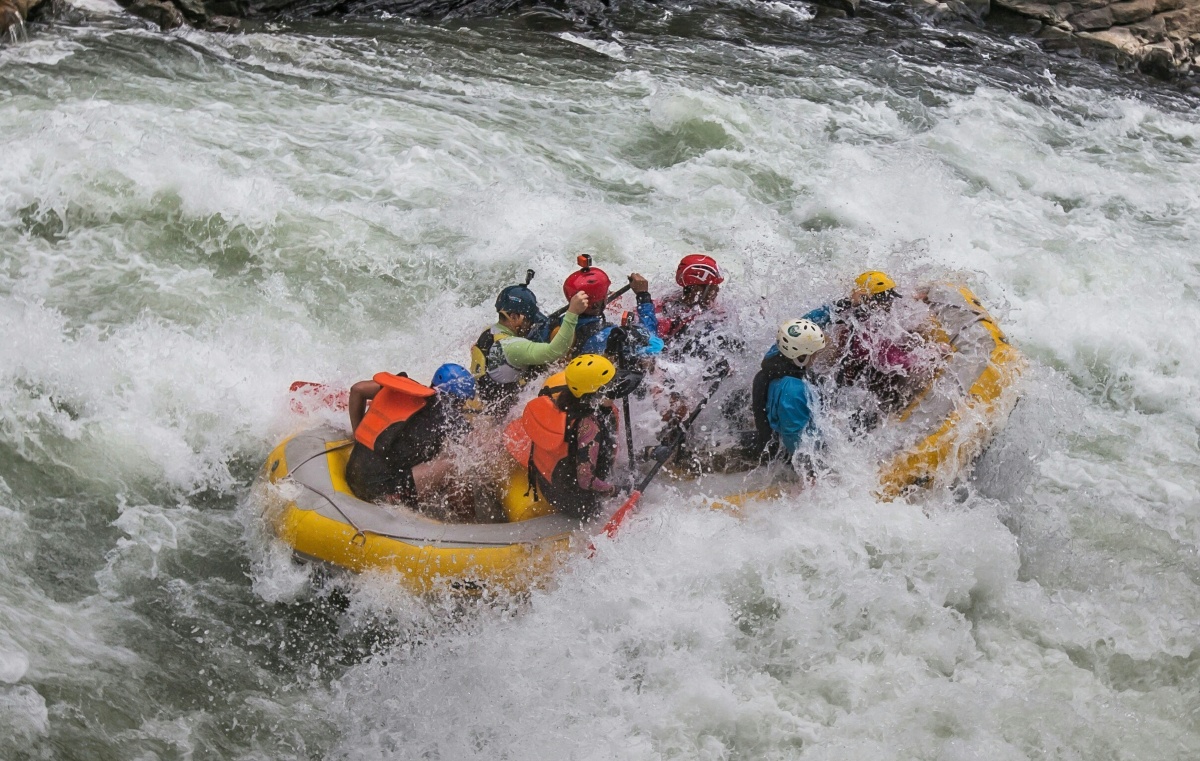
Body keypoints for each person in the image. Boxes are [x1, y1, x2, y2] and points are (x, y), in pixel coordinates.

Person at [803, 271, 942, 416]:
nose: (890, 304)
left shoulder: (853, 315)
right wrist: (932, 355)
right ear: (871, 303)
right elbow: (899, 363)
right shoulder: (865, 334)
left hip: (854, 379)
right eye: (886, 301)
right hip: (864, 393)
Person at [504, 354, 620, 522]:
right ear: (594, 395)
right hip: (575, 501)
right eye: (611, 388)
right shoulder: (589, 427)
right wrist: (615, 490)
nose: (615, 392)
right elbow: (585, 479)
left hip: (548, 484)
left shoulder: (564, 397)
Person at [344, 364, 475, 507]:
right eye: (462, 401)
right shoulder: (446, 416)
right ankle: (468, 522)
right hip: (379, 492)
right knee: (456, 465)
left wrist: (357, 435)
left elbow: (357, 389)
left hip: (354, 473)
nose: (462, 406)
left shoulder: (404, 390)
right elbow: (475, 445)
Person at [470, 280, 591, 415]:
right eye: (528, 319)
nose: (531, 324)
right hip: (502, 415)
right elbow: (555, 351)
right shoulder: (513, 347)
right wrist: (572, 313)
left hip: (485, 402)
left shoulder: (489, 332)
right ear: (513, 317)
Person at [537, 259, 659, 367]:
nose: (609, 294)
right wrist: (643, 296)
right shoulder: (605, 335)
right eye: (606, 293)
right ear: (595, 305)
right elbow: (654, 342)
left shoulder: (556, 323)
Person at [747, 319, 828, 469]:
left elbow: (796, 328)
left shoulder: (776, 354)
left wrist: (837, 306)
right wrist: (808, 470)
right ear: (801, 356)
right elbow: (793, 434)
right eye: (814, 354)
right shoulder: (793, 390)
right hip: (784, 450)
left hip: (772, 431)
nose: (816, 357)